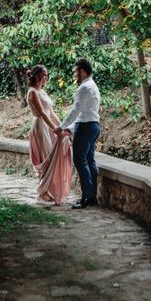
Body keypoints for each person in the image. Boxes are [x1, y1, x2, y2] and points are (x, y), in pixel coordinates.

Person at [54, 59, 101, 209]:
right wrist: (72, 128)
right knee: (90, 160)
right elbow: (85, 112)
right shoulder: (93, 86)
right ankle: (92, 196)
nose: (75, 75)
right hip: (94, 125)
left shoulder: (84, 87)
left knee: (80, 161)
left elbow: (76, 110)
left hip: (86, 127)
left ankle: (86, 197)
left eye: (76, 72)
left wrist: (61, 127)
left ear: (83, 71)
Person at [26, 65, 72, 205]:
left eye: (47, 75)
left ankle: (48, 190)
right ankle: (43, 192)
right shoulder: (33, 92)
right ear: (36, 75)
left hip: (48, 126)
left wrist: (62, 127)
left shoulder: (43, 92)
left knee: (52, 155)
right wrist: (56, 130)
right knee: (46, 156)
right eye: (43, 74)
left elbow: (51, 113)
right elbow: (42, 114)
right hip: (40, 127)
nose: (45, 77)